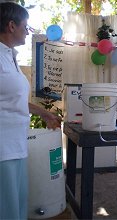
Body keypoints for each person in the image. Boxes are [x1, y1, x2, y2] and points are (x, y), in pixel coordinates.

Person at [0, 2, 61, 219]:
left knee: (16, 208)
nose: (27, 31)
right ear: (11, 26)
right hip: (2, 150)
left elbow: (12, 100)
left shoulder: (10, 55)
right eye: (25, 26)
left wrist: (43, 112)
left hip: (16, 145)